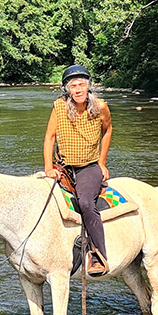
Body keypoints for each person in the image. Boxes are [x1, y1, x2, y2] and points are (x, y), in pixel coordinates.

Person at [43, 64, 114, 276]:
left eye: (82, 84)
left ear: (89, 86)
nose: (78, 89)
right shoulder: (59, 107)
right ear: (67, 89)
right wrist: (48, 167)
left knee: (85, 203)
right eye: (73, 85)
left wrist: (102, 162)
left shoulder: (101, 106)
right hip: (62, 166)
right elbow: (50, 137)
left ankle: (99, 255)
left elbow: (108, 130)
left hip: (88, 166)